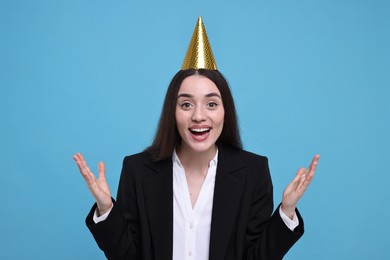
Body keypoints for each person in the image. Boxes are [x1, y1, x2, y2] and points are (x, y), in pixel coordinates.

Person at [73, 17, 320, 260]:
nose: (199, 116)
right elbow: (128, 256)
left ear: (226, 112)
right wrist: (106, 210)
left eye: (211, 103)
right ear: (173, 112)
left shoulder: (253, 172)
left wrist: (286, 211)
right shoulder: (137, 169)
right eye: (186, 104)